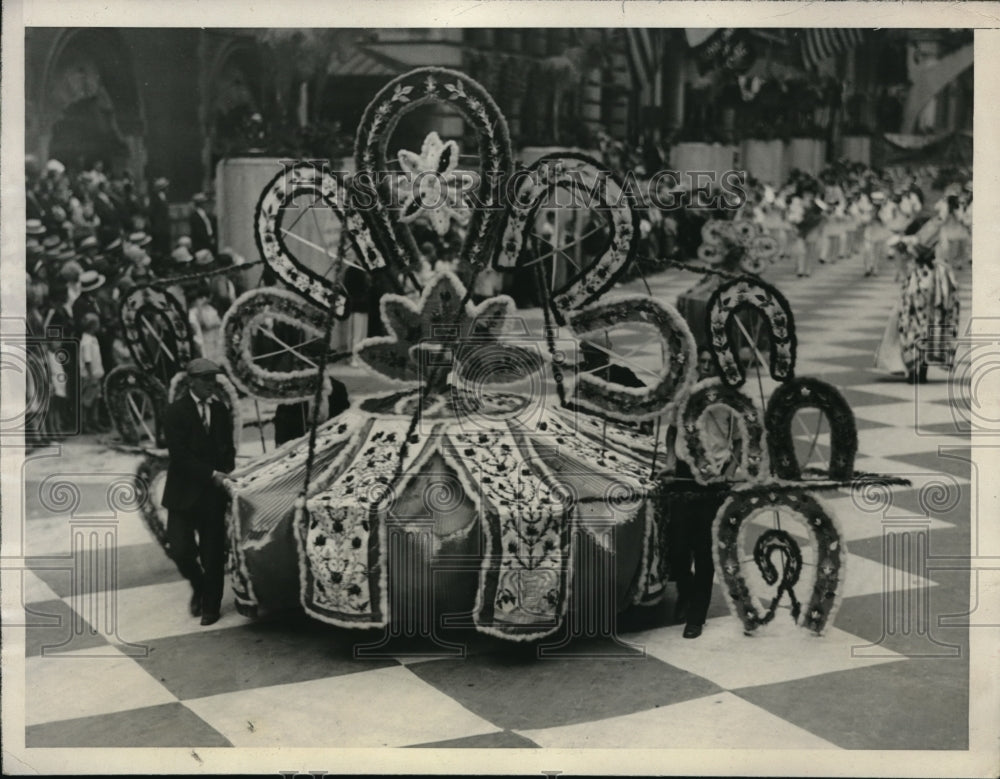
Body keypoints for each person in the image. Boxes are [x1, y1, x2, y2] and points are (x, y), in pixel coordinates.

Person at [663, 348, 737, 639]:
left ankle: (697, 615)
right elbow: (671, 432)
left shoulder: (730, 400)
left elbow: (742, 442)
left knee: (704, 549)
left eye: (711, 364)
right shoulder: (683, 395)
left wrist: (728, 474)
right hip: (683, 473)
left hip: (713, 479)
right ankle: (685, 588)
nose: (705, 368)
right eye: (702, 363)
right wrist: (669, 461)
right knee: (677, 546)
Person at [161, 358, 237, 625]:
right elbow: (179, 456)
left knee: (213, 553)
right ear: (191, 381)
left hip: (212, 496)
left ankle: (210, 606)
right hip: (182, 494)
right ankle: (199, 584)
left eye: (213, 380)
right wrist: (212, 474)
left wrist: (227, 473)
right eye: (205, 379)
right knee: (181, 550)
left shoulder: (220, 411)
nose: (210, 385)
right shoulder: (174, 412)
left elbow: (228, 450)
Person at [79, 313, 106, 434]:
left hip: (97, 374)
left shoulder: (93, 339)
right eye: (97, 324)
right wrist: (91, 377)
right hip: (90, 376)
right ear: (92, 326)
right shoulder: (86, 342)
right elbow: (87, 360)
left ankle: (94, 422)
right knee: (87, 400)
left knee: (96, 399)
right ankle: (84, 423)